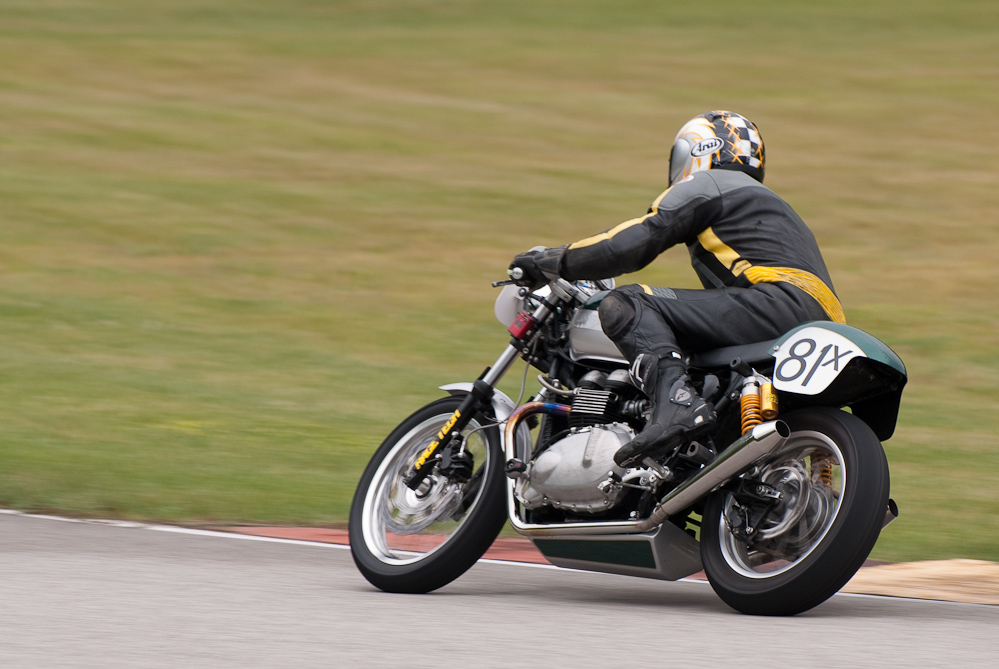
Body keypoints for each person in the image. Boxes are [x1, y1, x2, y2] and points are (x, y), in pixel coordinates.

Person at [509, 110, 845, 468]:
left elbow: (628, 244)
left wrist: (551, 261)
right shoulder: (773, 205)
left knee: (629, 301)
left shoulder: (711, 183)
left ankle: (676, 404)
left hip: (776, 303)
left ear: (694, 151)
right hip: (822, 322)